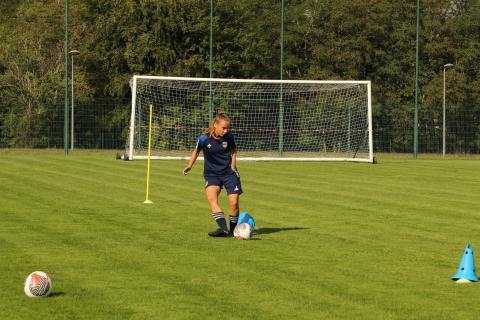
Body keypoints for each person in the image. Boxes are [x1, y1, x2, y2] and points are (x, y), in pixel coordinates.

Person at [183, 112, 243, 237]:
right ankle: (223, 229)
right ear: (215, 125)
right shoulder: (204, 138)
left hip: (229, 174)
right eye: (224, 128)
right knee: (212, 199)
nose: (226, 131)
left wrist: (233, 166)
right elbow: (196, 151)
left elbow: (234, 150)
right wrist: (190, 165)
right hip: (212, 175)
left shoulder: (229, 137)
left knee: (234, 203)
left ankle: (232, 231)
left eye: (228, 128)